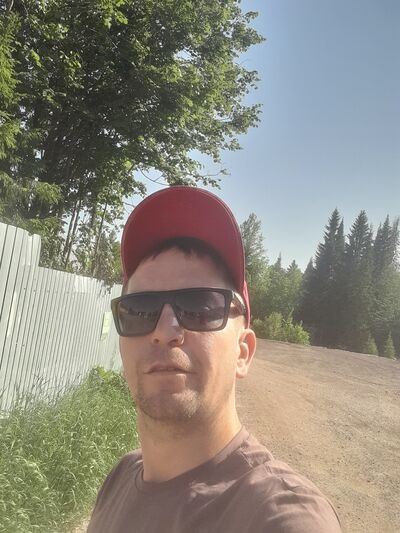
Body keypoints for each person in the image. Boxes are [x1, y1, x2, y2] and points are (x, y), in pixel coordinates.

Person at [87, 186, 342, 533]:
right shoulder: (120, 476)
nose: (164, 331)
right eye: (140, 309)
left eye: (200, 307)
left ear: (243, 352)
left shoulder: (278, 516)